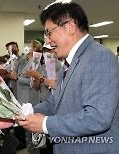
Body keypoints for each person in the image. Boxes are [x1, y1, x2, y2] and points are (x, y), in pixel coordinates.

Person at [13, 2, 119, 154]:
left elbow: (98, 117)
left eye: (49, 33)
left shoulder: (99, 56)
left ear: (70, 27)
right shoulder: (71, 62)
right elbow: (56, 102)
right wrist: (21, 115)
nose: (47, 41)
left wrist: (45, 124)